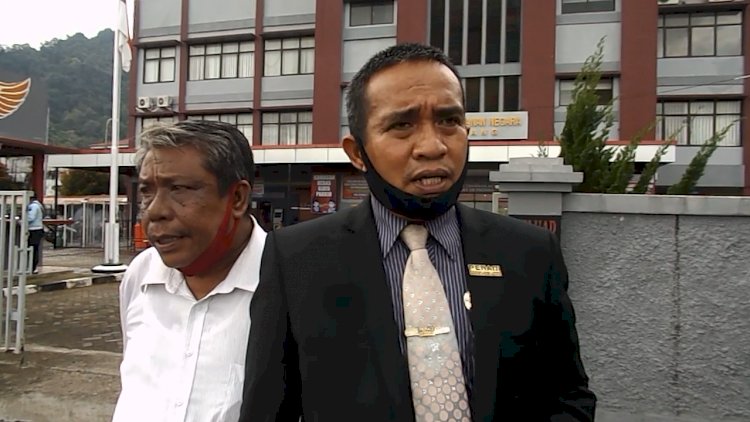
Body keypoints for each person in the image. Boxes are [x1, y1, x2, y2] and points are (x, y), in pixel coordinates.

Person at [239, 43, 596, 421]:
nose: (432, 146)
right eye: (402, 125)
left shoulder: (530, 253)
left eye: (449, 120)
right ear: (357, 152)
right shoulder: (296, 259)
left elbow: (569, 398)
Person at [113, 121, 266, 422]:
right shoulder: (140, 274)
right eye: (146, 192)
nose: (155, 211)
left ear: (237, 198)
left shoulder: (289, 286)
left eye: (179, 189)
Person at [27, 194, 44, 274]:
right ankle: (33, 267)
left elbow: (30, 218)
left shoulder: (33, 206)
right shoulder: (38, 205)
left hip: (34, 229)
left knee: (32, 249)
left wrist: (21, 220)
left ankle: (32, 267)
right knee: (35, 249)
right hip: (38, 229)